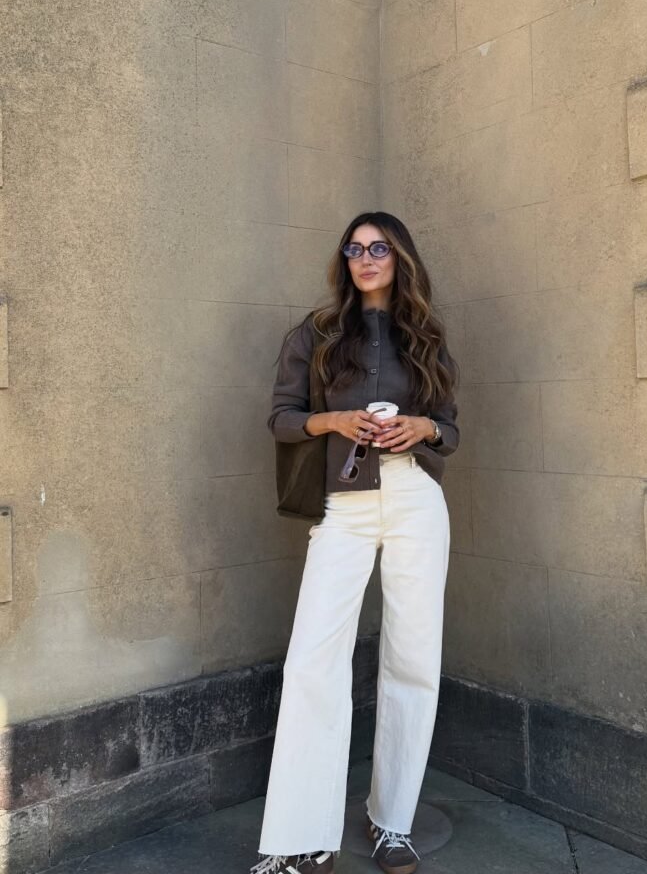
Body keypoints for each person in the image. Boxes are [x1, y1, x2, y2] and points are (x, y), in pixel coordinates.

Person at [250, 212, 460, 874]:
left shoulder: (422, 337)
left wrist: (423, 428)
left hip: (415, 502)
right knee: (312, 661)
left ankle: (389, 820)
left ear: (399, 259)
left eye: (379, 248)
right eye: (355, 248)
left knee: (413, 660)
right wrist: (332, 418)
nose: (366, 258)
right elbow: (281, 419)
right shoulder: (315, 335)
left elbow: (450, 429)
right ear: (343, 260)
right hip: (344, 505)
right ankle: (302, 839)